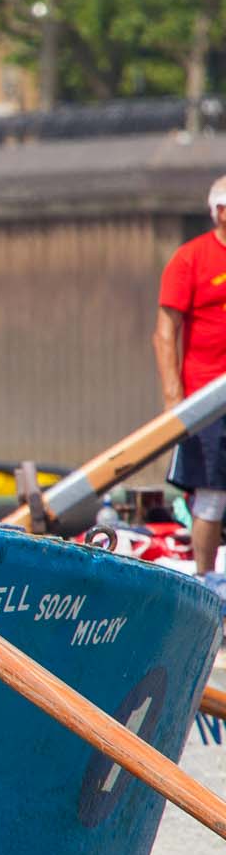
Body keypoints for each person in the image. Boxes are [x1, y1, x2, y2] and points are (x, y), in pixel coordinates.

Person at [157, 174, 226, 573]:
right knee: (212, 495)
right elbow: (165, 329)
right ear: (219, 212)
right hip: (208, 397)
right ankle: (206, 581)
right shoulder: (191, 259)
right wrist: (173, 398)